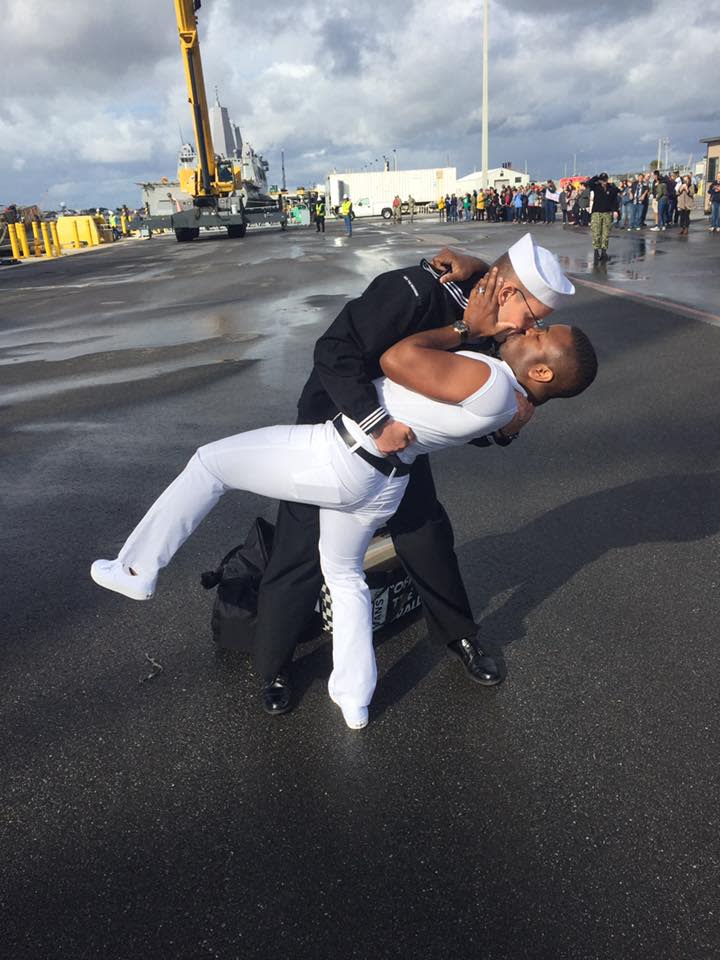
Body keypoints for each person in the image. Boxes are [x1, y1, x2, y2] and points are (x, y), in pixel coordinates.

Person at [91, 268, 596, 730]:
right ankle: (354, 696)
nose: (525, 329)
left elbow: (396, 360)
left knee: (208, 464)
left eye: (537, 331)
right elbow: (352, 351)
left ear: (543, 372)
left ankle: (137, 571)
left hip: (339, 455)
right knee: (344, 575)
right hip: (384, 483)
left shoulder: (491, 376)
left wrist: (467, 330)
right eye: (533, 319)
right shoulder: (494, 375)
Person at [252, 234, 578, 716]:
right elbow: (334, 350)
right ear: (507, 294)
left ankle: (460, 637)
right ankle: (273, 665)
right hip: (334, 423)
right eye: (533, 319)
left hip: (401, 444)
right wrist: (374, 422)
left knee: (425, 533)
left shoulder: (495, 332)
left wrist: (506, 430)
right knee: (300, 540)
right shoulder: (415, 291)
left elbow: (461, 411)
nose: (530, 330)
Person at [587, 173, 619, 262]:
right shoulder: (596, 186)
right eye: (602, 180)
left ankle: (604, 252)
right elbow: (589, 183)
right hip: (596, 212)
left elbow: (614, 199)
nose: (604, 182)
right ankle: (596, 252)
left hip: (607, 213)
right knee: (596, 233)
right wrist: (596, 177)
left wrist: (615, 210)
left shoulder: (611, 187)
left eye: (605, 179)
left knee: (606, 234)